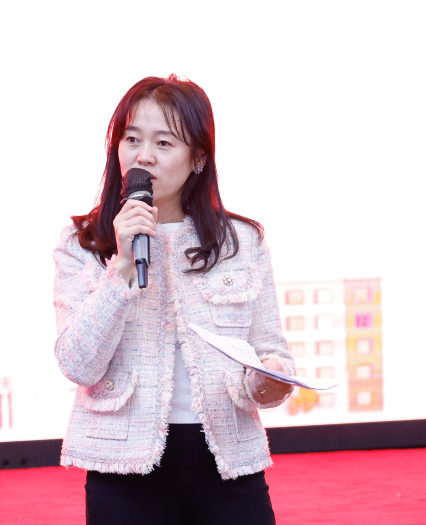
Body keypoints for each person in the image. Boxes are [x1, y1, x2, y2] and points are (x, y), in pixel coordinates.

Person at [53, 75, 294, 525]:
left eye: (163, 143)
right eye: (131, 139)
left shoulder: (240, 241)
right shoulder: (83, 243)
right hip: (122, 466)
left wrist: (272, 377)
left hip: (227, 461)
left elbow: (270, 352)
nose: (143, 156)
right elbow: (77, 365)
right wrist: (122, 267)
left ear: (198, 158)